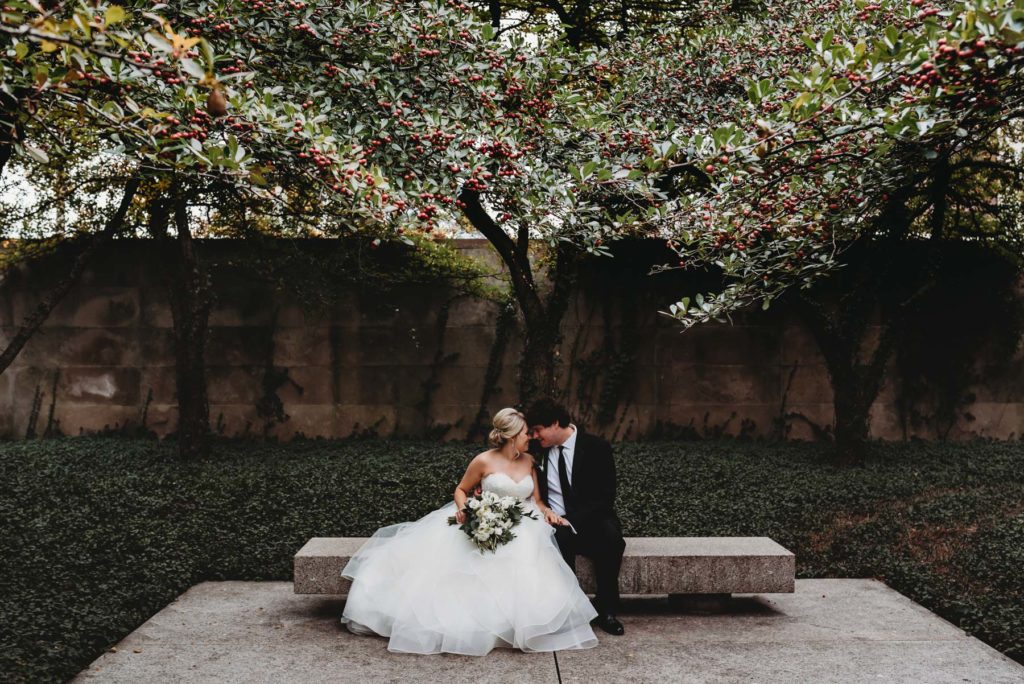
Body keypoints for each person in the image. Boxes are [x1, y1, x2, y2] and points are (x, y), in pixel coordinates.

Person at [339, 408, 599, 655]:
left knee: (529, 560)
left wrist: (548, 513)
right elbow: (461, 490)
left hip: (524, 523)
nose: (530, 437)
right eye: (525, 434)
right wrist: (466, 510)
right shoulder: (483, 460)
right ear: (510, 436)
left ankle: (524, 623)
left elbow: (538, 500)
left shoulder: (530, 461)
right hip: (485, 518)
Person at [525, 399, 626, 636]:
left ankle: (607, 610)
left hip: (592, 519)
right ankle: (568, 610)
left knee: (611, 537)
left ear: (555, 423)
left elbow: (605, 496)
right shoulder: (538, 451)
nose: (534, 436)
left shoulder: (596, 447)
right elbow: (510, 463)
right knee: (558, 539)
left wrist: (572, 521)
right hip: (554, 522)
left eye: (538, 430)